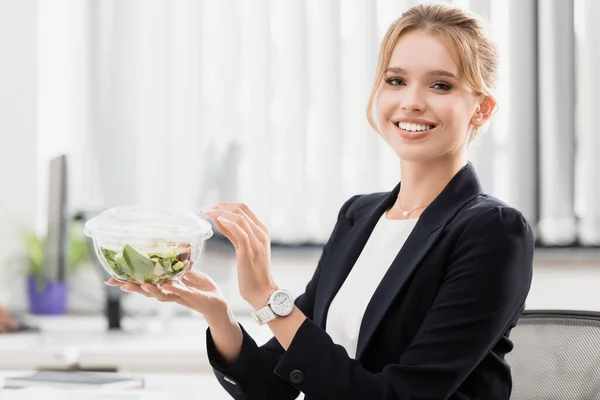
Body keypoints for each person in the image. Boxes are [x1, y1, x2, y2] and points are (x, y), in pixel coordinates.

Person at [107, 4, 534, 399]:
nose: (411, 101)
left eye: (440, 84)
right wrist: (218, 313)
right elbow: (271, 385)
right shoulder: (359, 216)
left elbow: (397, 398)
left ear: (482, 109)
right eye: (395, 80)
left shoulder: (493, 231)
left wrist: (269, 298)